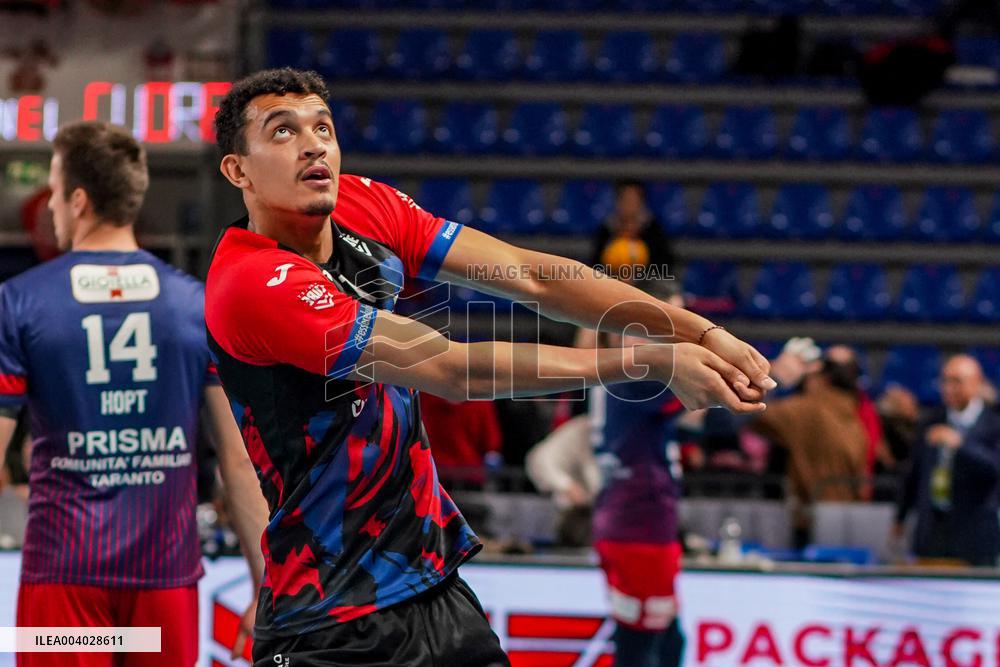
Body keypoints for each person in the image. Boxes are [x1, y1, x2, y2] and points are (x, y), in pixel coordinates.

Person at [207, 67, 775, 667]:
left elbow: (531, 276)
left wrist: (700, 330)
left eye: (323, 127)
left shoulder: (363, 206)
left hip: (433, 583)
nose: (313, 144)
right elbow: (450, 368)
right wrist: (649, 360)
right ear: (237, 170)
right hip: (332, 617)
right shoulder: (252, 282)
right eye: (282, 132)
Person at [0, 121, 268, 667]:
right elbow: (239, 462)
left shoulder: (20, 303)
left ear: (78, 201)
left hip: (64, 576)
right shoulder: (197, 304)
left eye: (54, 191)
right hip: (164, 581)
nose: (51, 206)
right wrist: (267, 587)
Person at [896, 355, 1000, 566]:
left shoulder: (993, 424)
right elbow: (914, 473)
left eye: (957, 381)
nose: (949, 388)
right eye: (945, 381)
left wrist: (961, 445)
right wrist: (900, 517)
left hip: (975, 533)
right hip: (934, 528)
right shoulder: (931, 421)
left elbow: (994, 468)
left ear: (977, 383)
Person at [590, 180, 675, 277]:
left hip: (645, 283)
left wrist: (638, 275)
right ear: (618, 202)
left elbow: (664, 264)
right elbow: (596, 265)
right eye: (626, 199)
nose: (630, 205)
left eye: (633, 200)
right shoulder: (607, 229)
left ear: (641, 202)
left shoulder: (652, 229)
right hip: (611, 281)